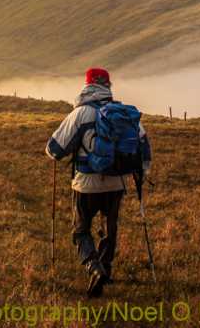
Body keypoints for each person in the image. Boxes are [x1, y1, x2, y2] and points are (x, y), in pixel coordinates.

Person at [45, 67, 152, 297]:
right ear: (108, 86)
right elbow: (143, 148)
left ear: (87, 85)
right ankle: (106, 267)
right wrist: (141, 171)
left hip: (85, 183)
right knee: (109, 228)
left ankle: (94, 267)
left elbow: (54, 149)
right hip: (116, 183)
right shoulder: (124, 115)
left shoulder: (80, 113)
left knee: (81, 230)